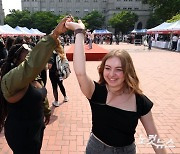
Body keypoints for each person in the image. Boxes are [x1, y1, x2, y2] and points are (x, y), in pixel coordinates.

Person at [65, 20, 167, 154]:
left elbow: (153, 136)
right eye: (108, 68)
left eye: (119, 69)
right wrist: (79, 31)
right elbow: (80, 72)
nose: (112, 74)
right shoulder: (96, 92)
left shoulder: (140, 101)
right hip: (96, 149)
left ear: (127, 71)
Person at [0, 16, 73, 154]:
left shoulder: (34, 76)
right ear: (16, 60)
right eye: (26, 56)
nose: (30, 57)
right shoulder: (10, 80)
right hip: (21, 132)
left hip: (37, 127)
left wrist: (46, 112)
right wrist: (55, 34)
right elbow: (32, 63)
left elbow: (41, 97)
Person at [48, 39, 69, 107]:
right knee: (61, 85)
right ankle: (65, 97)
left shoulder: (51, 53)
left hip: (53, 73)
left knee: (54, 87)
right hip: (60, 72)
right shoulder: (61, 52)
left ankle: (56, 101)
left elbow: (49, 66)